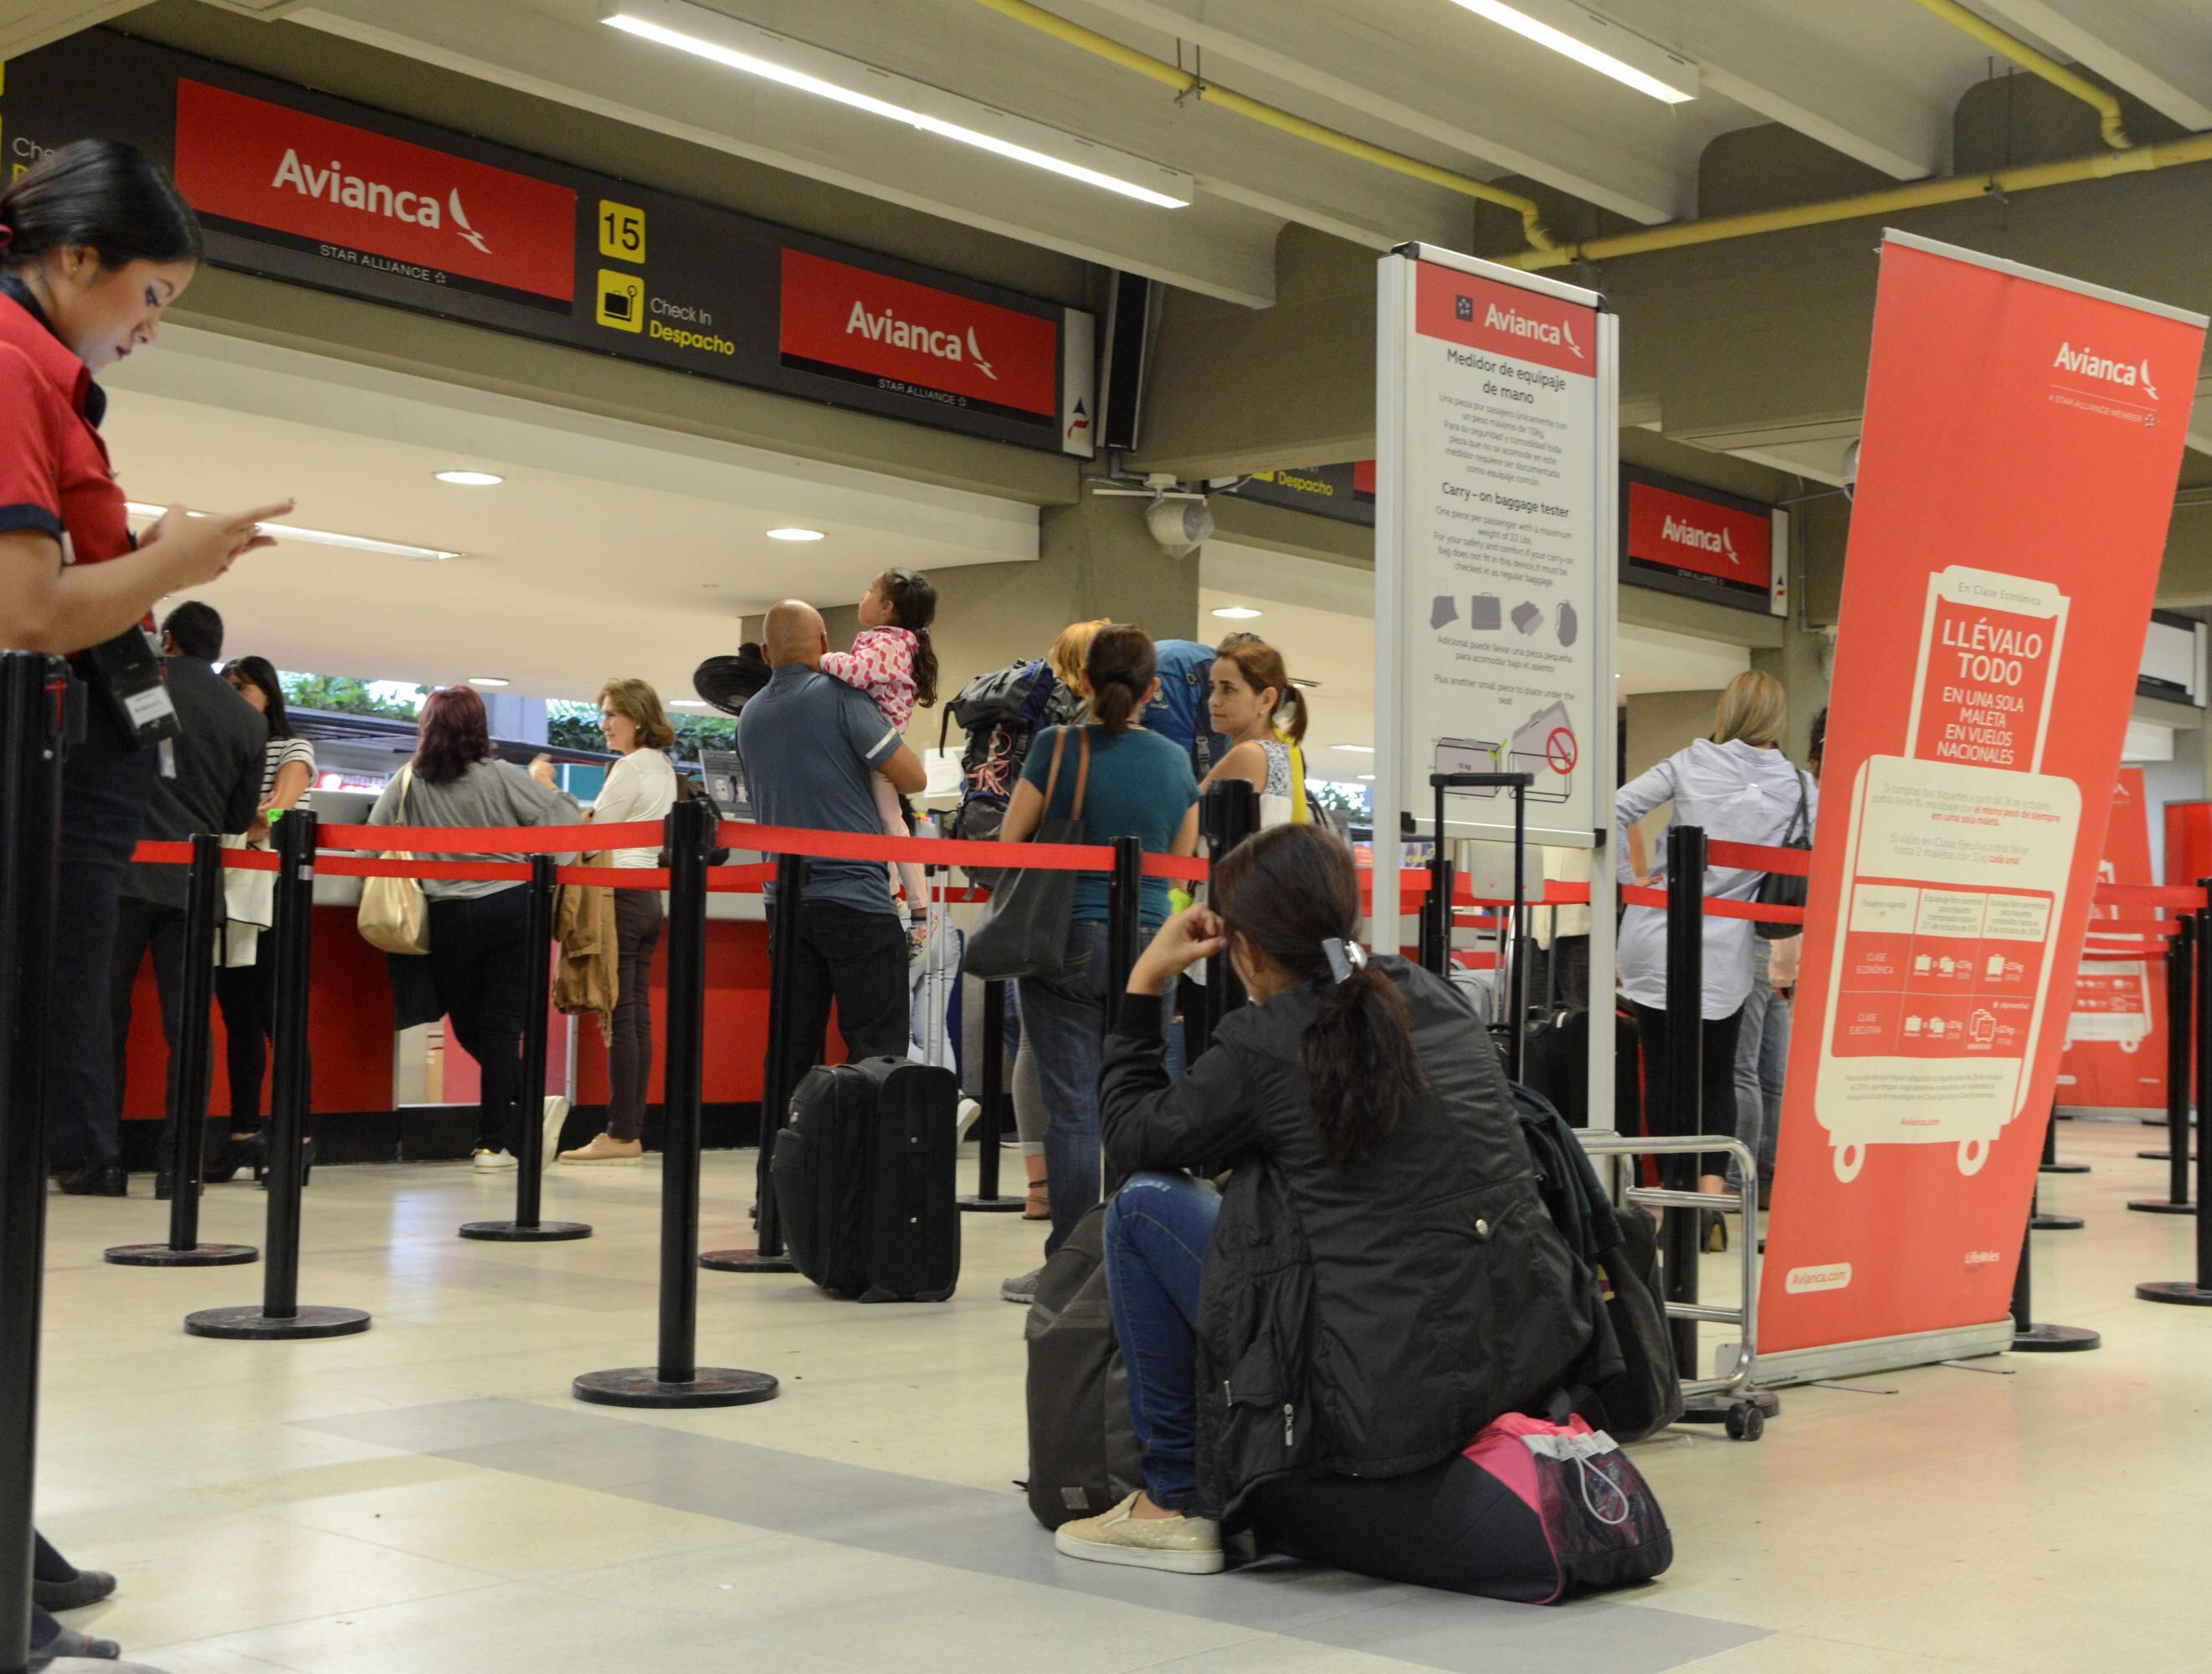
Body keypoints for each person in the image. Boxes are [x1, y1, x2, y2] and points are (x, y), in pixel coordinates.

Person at [1052, 823, 1594, 1573]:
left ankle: (1174, 1503)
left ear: (1245, 947)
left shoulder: (1266, 1042)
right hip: (1512, 1344)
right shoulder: (1427, 995)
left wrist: (1146, 981)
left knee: (1143, 1204)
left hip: (1366, 1367)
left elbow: (1134, 1137)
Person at [0, 139, 288, 1199]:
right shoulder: (10, 363)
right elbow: (25, 610)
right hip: (51, 761)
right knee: (43, 1017)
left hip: (82, 769)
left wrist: (141, 559)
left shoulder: (38, 372)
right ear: (76, 260)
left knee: (63, 1011)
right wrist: (171, 562)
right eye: (152, 294)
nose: (150, 328)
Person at [1000, 625, 1200, 1291]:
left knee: (1072, 1106)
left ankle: (1071, 1266)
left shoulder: (1056, 749)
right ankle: (1133, 1255)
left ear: (1082, 681)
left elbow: (1011, 840)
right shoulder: (1174, 761)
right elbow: (1182, 855)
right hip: (1149, 944)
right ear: (1153, 690)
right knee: (1136, 1100)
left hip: (1063, 937)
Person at [1615, 670, 1815, 1248]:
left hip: (1659, 927)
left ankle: (1675, 1198)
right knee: (1717, 1071)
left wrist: (1635, 880)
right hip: (1728, 943)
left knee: (1660, 1066)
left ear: (1729, 711)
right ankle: (1707, 1203)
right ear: (1777, 720)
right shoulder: (1799, 786)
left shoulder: (1691, 760)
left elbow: (1613, 808)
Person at [367, 685, 577, 1169]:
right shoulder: (503, 776)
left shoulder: (409, 781)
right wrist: (545, 784)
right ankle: (496, 1140)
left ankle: (503, 1130)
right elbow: (565, 824)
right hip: (511, 908)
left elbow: (369, 843)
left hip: (448, 917)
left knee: (466, 1028)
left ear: (428, 727)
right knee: (500, 1029)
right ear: (478, 729)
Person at [735, 601, 928, 1115]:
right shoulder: (840, 697)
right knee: (877, 1054)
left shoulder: (749, 716)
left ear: (762, 653)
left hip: (786, 905)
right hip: (856, 902)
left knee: (791, 1053)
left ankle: (779, 1187)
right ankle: (871, 1189)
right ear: (826, 645)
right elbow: (913, 778)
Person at [104, 601, 264, 1198]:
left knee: (104, 1020)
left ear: (166, 639)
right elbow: (237, 817)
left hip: (121, 874)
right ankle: (180, 1168)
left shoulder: (143, 690)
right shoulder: (247, 719)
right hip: (196, 884)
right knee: (191, 1029)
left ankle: (100, 1160)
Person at [534, 678, 679, 1165]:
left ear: (637, 716)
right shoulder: (662, 767)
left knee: (621, 1017)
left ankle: (621, 1133)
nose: (604, 724)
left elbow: (594, 833)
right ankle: (627, 1129)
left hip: (618, 897)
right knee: (635, 1016)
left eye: (612, 714)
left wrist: (547, 790)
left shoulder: (631, 767)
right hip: (647, 899)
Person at [210, 655, 316, 1179]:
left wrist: (246, 822)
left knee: (281, 1020)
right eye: (225, 687)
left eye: (242, 687)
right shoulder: (225, 743)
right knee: (238, 1022)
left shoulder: (292, 747)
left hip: (276, 897)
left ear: (268, 694)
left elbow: (277, 810)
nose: (233, 696)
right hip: (227, 894)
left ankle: (296, 1137)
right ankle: (243, 1134)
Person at [1733, 705, 1825, 1209]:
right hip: (1790, 946)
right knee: (1772, 1072)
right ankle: (1767, 1178)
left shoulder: (1782, 792)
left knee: (1744, 1069)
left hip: (1760, 941)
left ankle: (1734, 1181)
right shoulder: (1811, 796)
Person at [820, 567, 939, 953]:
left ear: (887, 607)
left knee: (891, 826)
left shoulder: (888, 644)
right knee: (880, 827)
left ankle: (920, 911)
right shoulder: (890, 641)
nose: (862, 594)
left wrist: (821, 659)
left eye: (870, 589)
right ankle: (895, 900)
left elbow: (856, 672)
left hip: (880, 752)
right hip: (872, 750)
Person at [1202, 635, 1310, 828]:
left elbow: (1184, 826)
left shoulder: (1249, 754)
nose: (1213, 700)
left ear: (1266, 699)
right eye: (1213, 688)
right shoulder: (1278, 752)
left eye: (1228, 689)